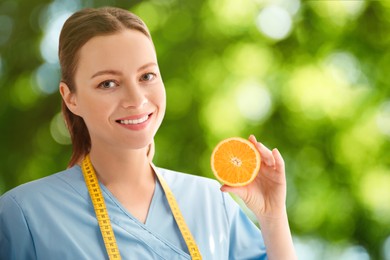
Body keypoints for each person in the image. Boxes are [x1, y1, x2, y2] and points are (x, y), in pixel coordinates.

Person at [0, 6, 296, 260]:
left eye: (147, 76)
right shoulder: (24, 214)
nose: (136, 99)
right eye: (108, 83)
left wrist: (272, 217)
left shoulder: (212, 201)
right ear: (70, 97)